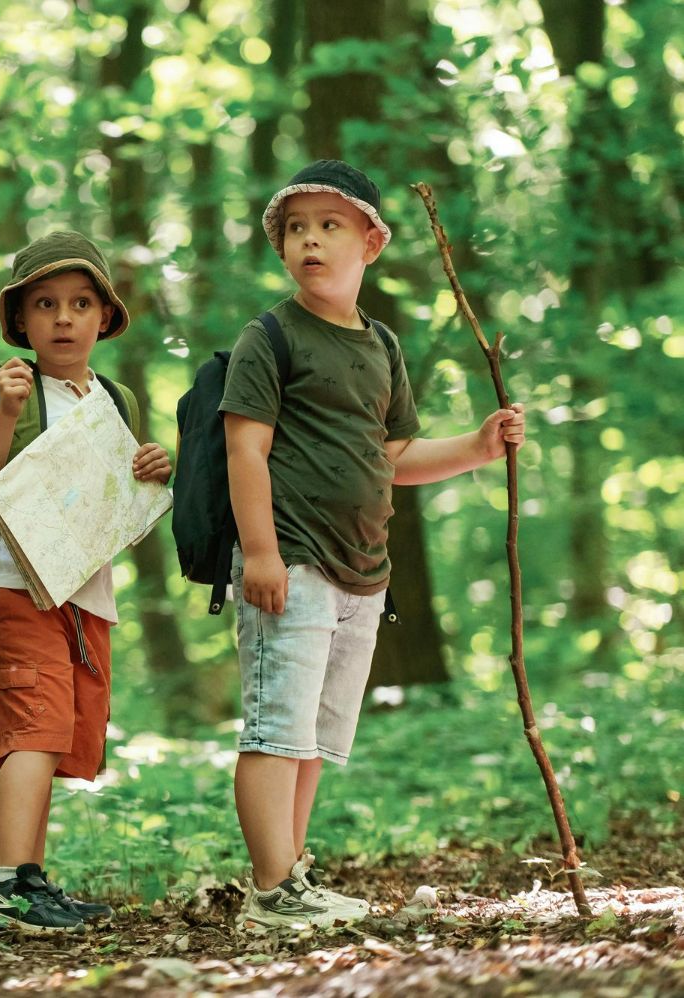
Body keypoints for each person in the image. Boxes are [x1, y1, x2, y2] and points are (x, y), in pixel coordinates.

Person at [223, 160, 527, 929]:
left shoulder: (380, 346)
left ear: (372, 242)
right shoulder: (269, 338)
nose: (310, 241)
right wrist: (260, 552)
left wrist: (478, 446)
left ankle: (292, 873)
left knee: (313, 740)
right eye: (296, 228)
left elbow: (393, 459)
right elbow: (246, 451)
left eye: (330, 225)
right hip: (292, 559)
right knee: (274, 728)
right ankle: (270, 890)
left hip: (363, 574)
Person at [0, 231, 172, 934]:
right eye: (44, 304)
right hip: (15, 582)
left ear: (105, 318)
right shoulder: (7, 385)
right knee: (35, 724)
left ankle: (29, 878)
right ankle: (2, 882)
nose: (63, 318)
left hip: (82, 589)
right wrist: (9, 413)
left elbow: (116, 498)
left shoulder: (114, 397)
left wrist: (152, 470)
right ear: (19, 319)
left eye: (81, 303)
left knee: (60, 731)